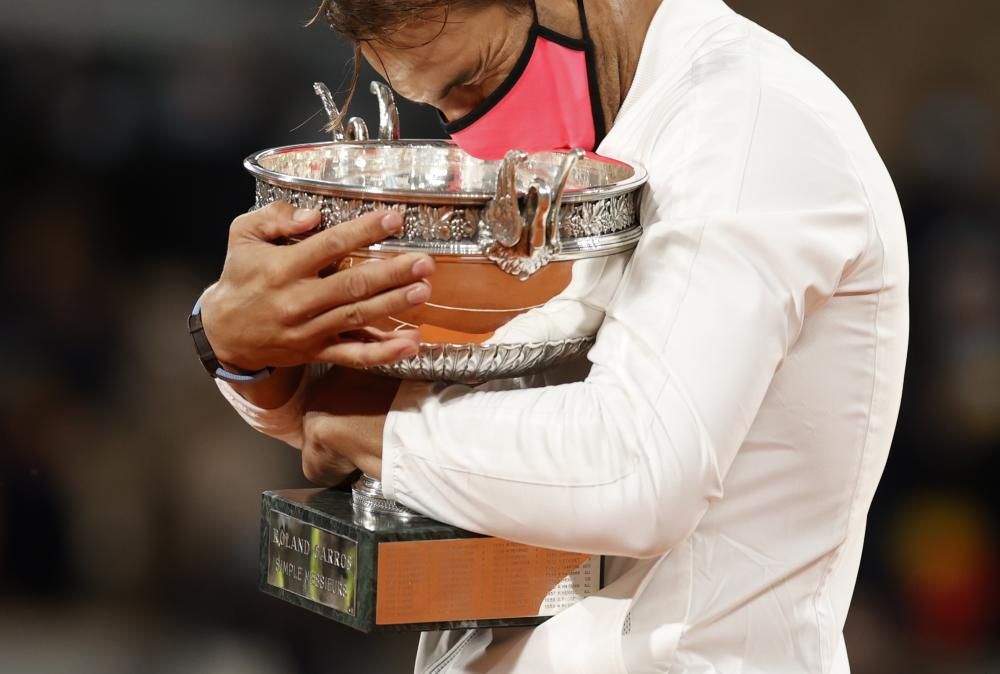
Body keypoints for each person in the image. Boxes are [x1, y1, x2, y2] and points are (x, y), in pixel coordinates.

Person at [192, 0, 909, 671]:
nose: (473, 138)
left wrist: (377, 429)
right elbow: (357, 416)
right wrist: (241, 345)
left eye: (475, 79)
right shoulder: (595, 142)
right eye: (439, 105)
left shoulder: (754, 122)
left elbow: (640, 468)